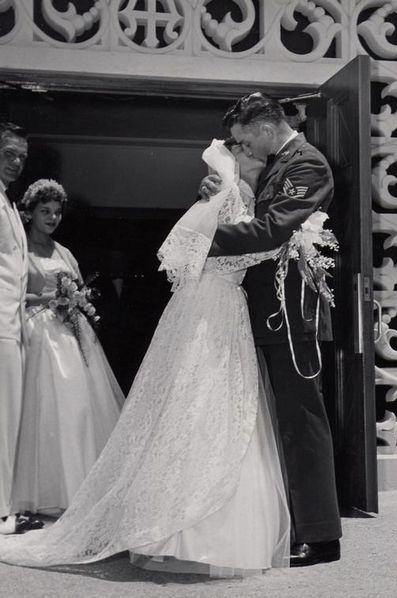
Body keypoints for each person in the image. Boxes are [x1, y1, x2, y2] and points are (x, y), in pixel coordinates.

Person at [0, 139, 290, 577]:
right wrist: (290, 239)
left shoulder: (234, 197)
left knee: (210, 408)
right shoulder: (231, 197)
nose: (261, 158)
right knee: (202, 406)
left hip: (220, 306)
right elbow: (210, 251)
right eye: (251, 152)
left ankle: (191, 531)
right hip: (213, 306)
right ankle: (183, 531)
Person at [200, 93, 342, 567]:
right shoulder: (277, 163)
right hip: (265, 309)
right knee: (276, 420)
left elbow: (272, 231)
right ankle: (289, 524)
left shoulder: (308, 165)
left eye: (244, 139)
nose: (244, 148)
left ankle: (321, 536)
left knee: (301, 421)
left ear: (264, 127)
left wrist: (198, 235)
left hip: (291, 311)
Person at [10, 179, 125, 515]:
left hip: (68, 334)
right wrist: (50, 298)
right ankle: (36, 493)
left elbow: (80, 289)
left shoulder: (65, 252)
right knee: (42, 410)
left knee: (76, 408)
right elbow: (13, 295)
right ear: (29, 213)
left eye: (57, 212)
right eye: (45, 211)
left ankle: (76, 488)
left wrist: (76, 300)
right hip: (36, 334)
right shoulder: (21, 252)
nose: (52, 217)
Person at [0, 122, 42, 535]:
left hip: (12, 325)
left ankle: (5, 507)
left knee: (9, 416)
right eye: (9, 154)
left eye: (21, 157)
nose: (16, 163)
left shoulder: (8, 202)